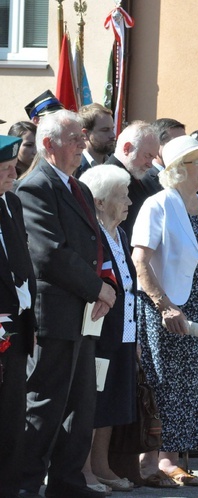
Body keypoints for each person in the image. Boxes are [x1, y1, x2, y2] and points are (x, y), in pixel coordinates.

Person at [16, 110, 117, 498]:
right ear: (48, 145)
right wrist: (98, 288)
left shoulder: (78, 187)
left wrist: (106, 281)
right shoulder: (35, 187)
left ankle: (68, 482)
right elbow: (50, 254)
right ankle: (25, 484)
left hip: (86, 312)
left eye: (81, 137)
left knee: (81, 403)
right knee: (45, 403)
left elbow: (96, 244)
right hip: (55, 313)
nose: (82, 143)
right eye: (74, 138)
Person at [131, 135, 198, 485]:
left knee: (189, 384)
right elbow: (140, 260)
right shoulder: (157, 205)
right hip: (166, 308)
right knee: (162, 383)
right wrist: (164, 306)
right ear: (176, 170)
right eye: (196, 161)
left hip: (197, 307)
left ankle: (169, 459)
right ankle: (151, 461)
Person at [78, 164, 139, 492]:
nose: (129, 201)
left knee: (113, 400)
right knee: (92, 402)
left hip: (124, 331)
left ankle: (102, 466)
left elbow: (130, 285)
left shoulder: (121, 234)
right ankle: (84, 470)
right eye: (122, 195)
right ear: (100, 202)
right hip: (98, 334)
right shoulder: (93, 235)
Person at [0, 135, 37, 498]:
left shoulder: (12, 201)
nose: (15, 173)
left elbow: (20, 259)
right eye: (7, 169)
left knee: (13, 414)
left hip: (17, 322)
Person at [105, 121, 160, 238]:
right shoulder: (107, 181)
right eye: (147, 156)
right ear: (127, 148)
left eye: (153, 158)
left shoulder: (138, 178)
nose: (150, 165)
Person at [76, 103, 117, 177]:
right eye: (105, 130)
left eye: (112, 129)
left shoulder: (116, 166)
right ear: (85, 134)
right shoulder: (74, 169)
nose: (112, 135)